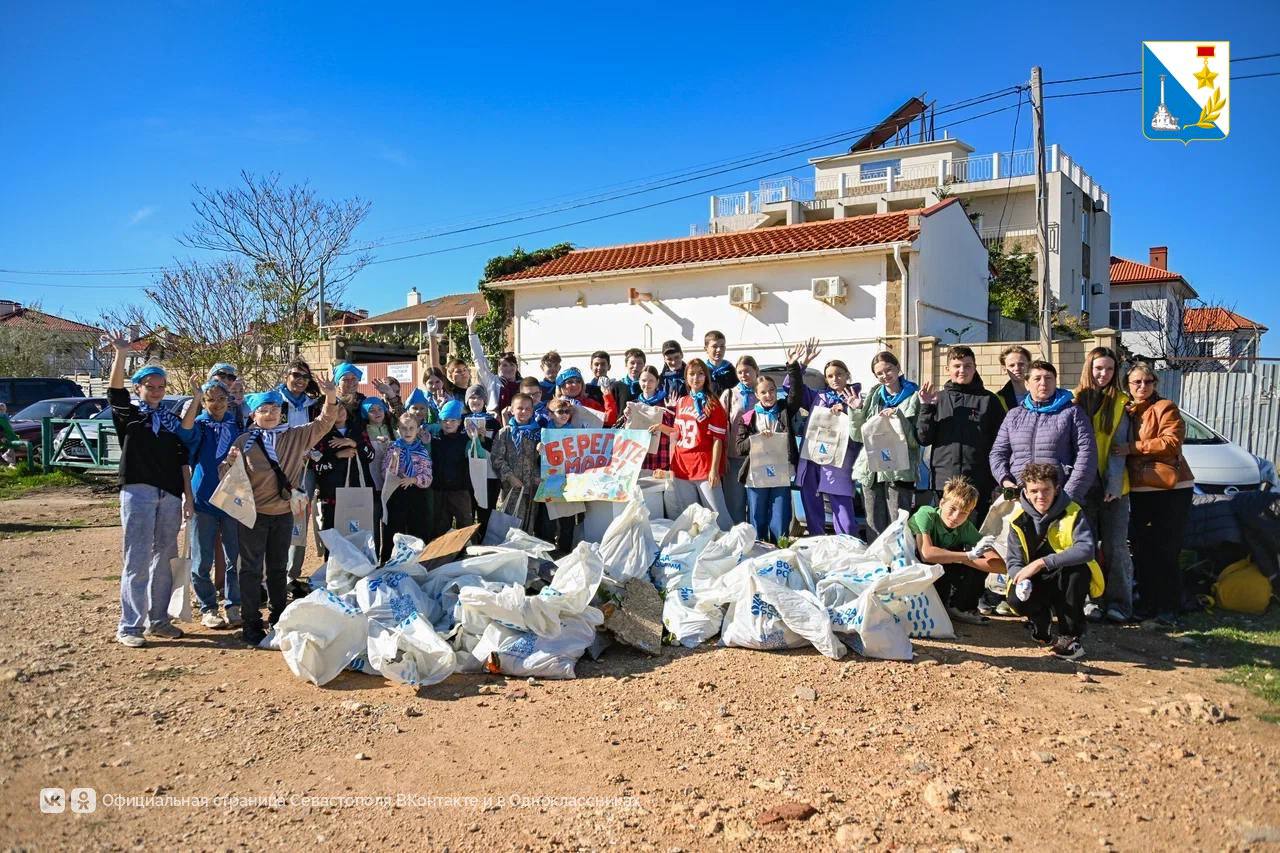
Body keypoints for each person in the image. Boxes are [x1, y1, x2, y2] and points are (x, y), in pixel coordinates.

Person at [221, 380, 338, 646]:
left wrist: (330, 395)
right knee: (250, 570)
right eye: (264, 409)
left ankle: (278, 617)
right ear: (254, 414)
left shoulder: (295, 435)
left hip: (284, 513)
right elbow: (227, 479)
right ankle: (251, 623)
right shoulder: (243, 441)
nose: (271, 413)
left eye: (275, 408)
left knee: (277, 568)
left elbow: (325, 421)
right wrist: (229, 462)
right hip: (253, 516)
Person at [105, 333, 202, 648]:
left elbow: (183, 455)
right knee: (137, 557)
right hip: (139, 491)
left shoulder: (171, 421)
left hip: (170, 494)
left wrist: (188, 496)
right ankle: (130, 626)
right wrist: (121, 353)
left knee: (165, 556)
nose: (157, 391)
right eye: (151, 386)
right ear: (140, 388)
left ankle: (158, 619)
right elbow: (114, 390)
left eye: (161, 387)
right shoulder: (129, 414)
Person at [1120, 362, 1195, 627]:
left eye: (1147, 381)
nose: (1142, 387)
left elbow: (1171, 442)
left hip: (1171, 490)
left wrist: (1132, 447)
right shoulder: (1126, 410)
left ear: (1155, 384)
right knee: (1141, 551)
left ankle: (1168, 609)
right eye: (1136, 382)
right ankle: (1147, 605)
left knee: (1166, 550)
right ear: (1127, 386)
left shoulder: (1165, 408)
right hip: (1140, 490)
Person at [1005, 462, 1104, 660]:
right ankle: (1040, 620)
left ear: (1056, 489)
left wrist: (1041, 562)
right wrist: (1019, 577)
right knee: (1016, 599)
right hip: (1035, 580)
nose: (1040, 496)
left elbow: (1086, 549)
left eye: (1046, 490)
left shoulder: (1073, 511)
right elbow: (1014, 561)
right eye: (1034, 491)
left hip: (1064, 576)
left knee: (1078, 571)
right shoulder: (1017, 519)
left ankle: (1070, 636)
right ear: (1025, 490)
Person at [1073, 347, 1136, 623]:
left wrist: (1112, 484)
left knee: (1115, 547)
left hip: (1114, 488)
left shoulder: (1122, 402)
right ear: (1089, 368)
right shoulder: (1074, 400)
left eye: (1109, 369)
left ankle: (1119, 603)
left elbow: (1118, 449)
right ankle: (1090, 600)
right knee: (1083, 546)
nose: (1104, 374)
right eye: (1099, 368)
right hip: (1083, 487)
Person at [990, 360, 1097, 504]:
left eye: (1048, 378)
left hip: (1058, 496)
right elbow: (998, 453)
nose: (1043, 383)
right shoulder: (1013, 415)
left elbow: (1087, 455)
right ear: (1027, 384)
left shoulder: (1072, 413)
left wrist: (1070, 494)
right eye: (1037, 378)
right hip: (1020, 496)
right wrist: (1005, 480)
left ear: (1055, 381)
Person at [916, 345, 1004, 521]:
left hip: (980, 480)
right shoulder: (937, 399)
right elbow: (923, 439)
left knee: (977, 531)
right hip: (945, 480)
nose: (962, 370)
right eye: (957, 366)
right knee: (948, 528)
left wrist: (996, 481)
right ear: (947, 369)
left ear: (974, 368)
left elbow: (1001, 443)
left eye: (967, 365)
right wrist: (926, 408)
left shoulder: (989, 400)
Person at [784, 337, 862, 536]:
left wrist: (848, 408)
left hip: (839, 461)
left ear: (847, 375)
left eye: (839, 374)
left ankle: (847, 543)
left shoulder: (858, 397)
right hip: (813, 458)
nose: (835, 379)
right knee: (811, 504)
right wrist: (801, 364)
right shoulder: (818, 397)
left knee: (842, 508)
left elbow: (861, 422)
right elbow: (790, 388)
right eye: (830, 376)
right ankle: (817, 544)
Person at [909, 476, 1005, 625]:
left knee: (976, 564)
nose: (955, 517)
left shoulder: (965, 527)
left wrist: (966, 558)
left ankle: (959, 608)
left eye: (964, 513)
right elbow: (926, 554)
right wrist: (968, 556)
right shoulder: (926, 514)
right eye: (952, 509)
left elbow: (999, 565)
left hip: (940, 571)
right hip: (913, 570)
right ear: (941, 503)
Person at [654, 359, 732, 531]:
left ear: (706, 376)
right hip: (682, 467)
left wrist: (714, 469)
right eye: (691, 374)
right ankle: (698, 550)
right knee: (691, 517)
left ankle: (731, 548)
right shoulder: (682, 402)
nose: (696, 378)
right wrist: (661, 428)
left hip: (704, 466)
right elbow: (678, 433)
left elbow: (717, 439)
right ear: (686, 376)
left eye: (700, 373)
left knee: (717, 515)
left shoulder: (713, 403)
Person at [189, 381, 242, 629]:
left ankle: (233, 605)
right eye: (211, 399)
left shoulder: (237, 424)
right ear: (203, 402)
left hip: (232, 497)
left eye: (222, 398)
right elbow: (187, 455)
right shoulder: (198, 425)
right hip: (204, 497)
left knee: (235, 556)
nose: (217, 404)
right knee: (202, 558)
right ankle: (208, 607)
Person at [852, 350, 921, 540]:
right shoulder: (874, 396)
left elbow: (916, 440)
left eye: (888, 370)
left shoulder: (914, 396)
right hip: (871, 469)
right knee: (873, 523)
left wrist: (898, 417)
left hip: (898, 469)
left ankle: (899, 562)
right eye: (879, 373)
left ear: (898, 368)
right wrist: (856, 411)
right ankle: (877, 562)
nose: (885, 376)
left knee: (898, 522)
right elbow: (858, 435)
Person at [733, 373, 799, 542]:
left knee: (781, 514)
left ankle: (780, 548)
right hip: (756, 474)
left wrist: (795, 368)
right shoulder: (748, 418)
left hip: (780, 471)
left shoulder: (784, 410)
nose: (768, 395)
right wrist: (757, 438)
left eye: (771, 391)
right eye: (763, 392)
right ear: (756, 395)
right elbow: (739, 448)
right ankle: (758, 548)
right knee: (757, 514)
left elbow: (796, 394)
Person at [276, 359, 322, 598]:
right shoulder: (274, 401)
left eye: (304, 377)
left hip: (306, 470)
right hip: (277, 470)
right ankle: (271, 574)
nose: (300, 380)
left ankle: (290, 575)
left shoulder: (313, 405)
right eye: (295, 375)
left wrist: (315, 451)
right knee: (275, 519)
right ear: (286, 375)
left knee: (299, 521)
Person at [314, 399, 376, 547]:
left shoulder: (358, 430)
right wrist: (337, 456)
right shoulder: (320, 434)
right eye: (333, 409)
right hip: (332, 496)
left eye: (341, 407)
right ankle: (334, 569)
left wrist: (354, 443)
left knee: (360, 537)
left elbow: (371, 456)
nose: (339, 411)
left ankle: (361, 569)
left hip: (358, 492)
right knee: (334, 542)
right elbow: (317, 467)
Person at [381, 411, 434, 562]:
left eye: (411, 428)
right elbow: (384, 472)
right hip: (396, 493)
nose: (408, 432)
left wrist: (414, 479)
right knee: (394, 528)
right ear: (398, 430)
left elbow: (428, 476)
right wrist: (394, 470)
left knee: (418, 528)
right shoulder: (393, 449)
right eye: (404, 428)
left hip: (417, 493)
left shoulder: (422, 450)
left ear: (417, 430)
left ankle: (418, 561)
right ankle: (389, 561)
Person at [489, 392, 543, 533]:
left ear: (532, 411)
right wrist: (510, 477)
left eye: (527, 408)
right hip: (512, 488)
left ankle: (525, 551)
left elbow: (542, 461)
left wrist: (543, 451)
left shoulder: (538, 434)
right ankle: (510, 551)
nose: (523, 411)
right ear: (512, 410)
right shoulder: (505, 433)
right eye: (519, 408)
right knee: (511, 523)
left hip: (532, 487)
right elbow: (497, 459)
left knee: (529, 523)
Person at [535, 397, 580, 553]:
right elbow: (539, 459)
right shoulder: (544, 431)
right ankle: (548, 552)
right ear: (551, 414)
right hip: (550, 482)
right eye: (560, 411)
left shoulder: (574, 431)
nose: (564, 415)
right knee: (549, 521)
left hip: (569, 482)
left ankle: (565, 551)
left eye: (567, 411)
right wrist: (539, 450)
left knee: (568, 520)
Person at [719, 354, 758, 525]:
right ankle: (739, 540)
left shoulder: (763, 392)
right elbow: (720, 427)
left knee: (758, 504)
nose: (743, 375)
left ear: (756, 371)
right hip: (734, 457)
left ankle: (760, 539)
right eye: (740, 372)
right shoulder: (729, 395)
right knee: (735, 504)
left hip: (759, 457)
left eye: (747, 371)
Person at [430, 400, 475, 538]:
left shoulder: (465, 439)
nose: (448, 423)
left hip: (460, 489)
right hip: (440, 490)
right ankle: (443, 555)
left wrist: (476, 439)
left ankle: (466, 551)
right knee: (441, 526)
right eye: (444, 420)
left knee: (465, 524)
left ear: (459, 421)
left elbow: (477, 454)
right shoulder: (435, 439)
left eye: (452, 420)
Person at [466, 307, 521, 413]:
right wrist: (471, 331)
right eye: (504, 365)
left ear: (516, 367)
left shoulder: (522, 384)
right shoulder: (492, 381)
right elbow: (479, 358)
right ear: (499, 368)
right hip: (495, 421)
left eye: (511, 365)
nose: (508, 368)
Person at [363, 397, 396, 492]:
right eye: (372, 410)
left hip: (390, 476)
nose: (377, 412)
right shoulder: (364, 431)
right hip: (372, 476)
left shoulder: (391, 430)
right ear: (365, 414)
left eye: (380, 409)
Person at [996, 345, 1032, 411]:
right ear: (1004, 369)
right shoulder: (999, 398)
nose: (1017, 368)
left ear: (1029, 366)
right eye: (1012, 365)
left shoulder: (1044, 391)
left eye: (1021, 364)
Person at [703, 330, 737, 395]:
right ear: (706, 349)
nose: (719, 350)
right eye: (714, 346)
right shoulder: (702, 371)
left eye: (722, 346)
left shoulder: (731, 370)